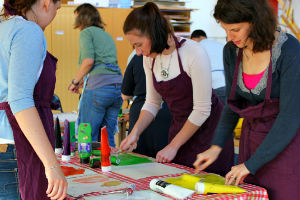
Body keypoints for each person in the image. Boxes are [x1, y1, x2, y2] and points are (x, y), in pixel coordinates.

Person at [193, 0, 300, 199]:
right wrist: (215, 147)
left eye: (235, 29)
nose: (229, 36)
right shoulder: (231, 51)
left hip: (284, 147)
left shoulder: (288, 49)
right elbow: (232, 105)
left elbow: (289, 118)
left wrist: (250, 165)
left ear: (256, 21)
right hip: (250, 146)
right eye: (225, 29)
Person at [120, 2, 234, 176]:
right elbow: (152, 103)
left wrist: (173, 146)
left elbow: (202, 110)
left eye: (139, 44)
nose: (137, 52)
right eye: (133, 46)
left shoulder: (193, 52)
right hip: (180, 131)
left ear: (153, 34)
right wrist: (135, 133)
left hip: (209, 134)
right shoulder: (148, 59)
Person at [0, 0, 68, 199]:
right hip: (16, 147)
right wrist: (52, 164)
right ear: (46, 3)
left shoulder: (4, 27)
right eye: (57, 7)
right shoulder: (28, 30)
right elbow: (20, 100)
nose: (55, 14)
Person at [68, 3, 123, 147]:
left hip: (98, 89)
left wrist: (75, 82)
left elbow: (88, 61)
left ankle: (85, 169)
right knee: (107, 137)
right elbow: (103, 64)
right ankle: (108, 167)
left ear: (82, 18)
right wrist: (81, 82)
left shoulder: (86, 33)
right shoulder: (107, 35)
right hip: (117, 88)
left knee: (86, 136)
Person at [121, 50, 172, 158]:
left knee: (142, 162)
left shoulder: (136, 57)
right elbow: (152, 102)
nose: (138, 50)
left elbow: (125, 94)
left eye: (138, 44)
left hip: (143, 108)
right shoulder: (145, 57)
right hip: (165, 111)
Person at [191, 29, 226, 104]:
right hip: (228, 86)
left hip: (212, 88)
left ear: (193, 39)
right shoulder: (220, 45)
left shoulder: (196, 47)